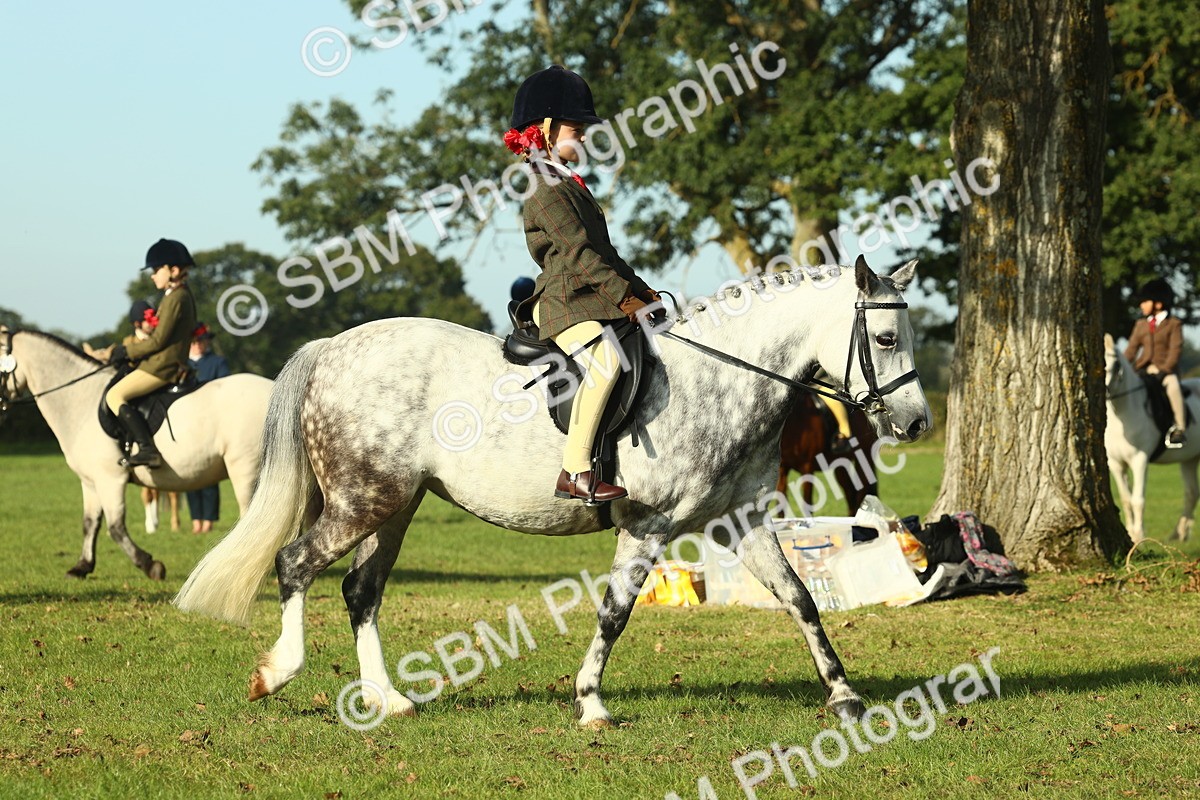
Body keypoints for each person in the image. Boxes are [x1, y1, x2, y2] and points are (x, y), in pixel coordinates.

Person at [506, 65, 660, 502]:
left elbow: (607, 255)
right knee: (609, 358)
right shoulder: (544, 188)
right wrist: (626, 299)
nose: (586, 136)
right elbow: (579, 254)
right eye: (579, 128)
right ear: (547, 130)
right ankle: (574, 471)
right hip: (562, 300)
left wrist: (644, 291)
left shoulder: (569, 183)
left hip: (589, 295)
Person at [105, 238, 197, 467]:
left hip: (162, 365)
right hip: (161, 361)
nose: (153, 275)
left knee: (114, 396)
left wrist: (126, 350)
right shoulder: (174, 295)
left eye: (157, 270)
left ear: (173, 270)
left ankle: (147, 449)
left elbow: (157, 341)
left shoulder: (177, 297)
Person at [1125, 278, 1186, 448]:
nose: (1141, 306)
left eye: (1145, 301)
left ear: (1158, 303)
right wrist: (1121, 365)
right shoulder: (1140, 324)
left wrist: (1165, 370)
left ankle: (1180, 428)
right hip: (1143, 370)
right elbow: (1131, 350)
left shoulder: (1174, 324)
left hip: (1166, 372)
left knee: (1173, 387)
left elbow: (1176, 350)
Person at [185, 323, 230, 533]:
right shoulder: (182, 364)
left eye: (203, 341)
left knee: (210, 473)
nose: (200, 345)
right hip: (189, 421)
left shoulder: (217, 362)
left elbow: (224, 386)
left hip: (212, 421)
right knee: (190, 472)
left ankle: (208, 520)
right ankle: (195, 519)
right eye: (196, 341)